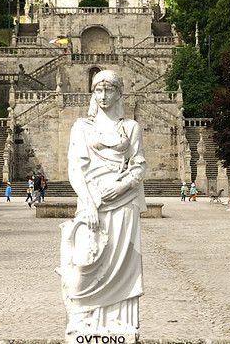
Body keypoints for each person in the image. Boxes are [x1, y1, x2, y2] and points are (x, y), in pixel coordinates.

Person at [58, 70, 146, 339]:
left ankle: (119, 323)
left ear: (119, 93)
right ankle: (81, 318)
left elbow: (139, 165)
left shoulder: (130, 127)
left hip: (123, 202)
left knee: (121, 262)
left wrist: (120, 187)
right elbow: (75, 169)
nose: (104, 95)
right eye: (99, 90)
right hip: (91, 200)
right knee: (85, 261)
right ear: (93, 93)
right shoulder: (82, 127)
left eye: (110, 90)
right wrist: (89, 203)